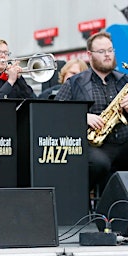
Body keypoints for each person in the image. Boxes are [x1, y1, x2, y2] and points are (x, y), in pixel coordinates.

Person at [55, 31, 128, 194]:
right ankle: (83, 199)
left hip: (123, 141)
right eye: (101, 52)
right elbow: (55, 113)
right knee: (100, 163)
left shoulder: (124, 80)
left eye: (110, 50)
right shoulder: (75, 82)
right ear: (89, 54)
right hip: (93, 145)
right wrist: (82, 116)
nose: (107, 55)